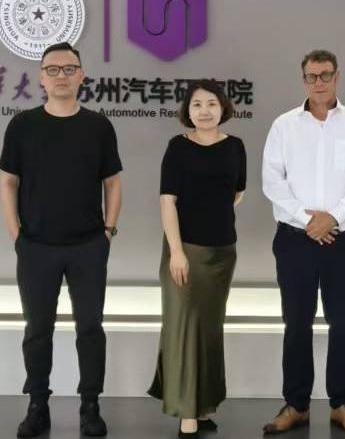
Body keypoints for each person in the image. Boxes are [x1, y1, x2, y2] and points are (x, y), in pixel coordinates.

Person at [0, 42, 122, 438]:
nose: (61, 76)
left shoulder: (98, 126)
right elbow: (8, 182)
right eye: (52, 69)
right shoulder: (23, 125)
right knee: (38, 329)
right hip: (36, 246)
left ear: (82, 75)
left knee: (90, 328)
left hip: (88, 245)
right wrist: (17, 235)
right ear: (41, 77)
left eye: (69, 68)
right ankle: (38, 404)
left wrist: (108, 230)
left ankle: (91, 405)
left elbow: (112, 182)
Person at [261, 50, 345, 436]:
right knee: (296, 323)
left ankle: (342, 404)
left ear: (337, 77)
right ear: (304, 80)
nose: (319, 82)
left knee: (343, 323)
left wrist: (333, 217)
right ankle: (296, 405)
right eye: (312, 76)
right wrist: (308, 221)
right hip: (295, 239)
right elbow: (272, 181)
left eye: (326, 75)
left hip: (343, 240)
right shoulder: (284, 125)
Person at [148, 79, 247, 438]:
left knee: (209, 330)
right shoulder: (178, 147)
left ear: (223, 108)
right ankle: (186, 412)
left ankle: (204, 405)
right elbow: (167, 201)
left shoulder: (235, 146)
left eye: (211, 104)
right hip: (185, 251)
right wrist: (176, 251)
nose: (204, 111)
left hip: (222, 253)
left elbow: (237, 193)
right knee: (184, 330)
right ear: (187, 111)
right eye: (197, 105)